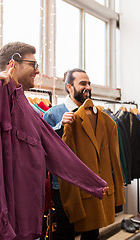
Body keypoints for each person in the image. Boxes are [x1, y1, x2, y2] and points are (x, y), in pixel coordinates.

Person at [0, 42, 107, 240]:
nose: (38, 70)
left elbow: (53, 148)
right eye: (33, 65)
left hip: (28, 221)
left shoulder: (30, 110)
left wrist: (92, 183)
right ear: (12, 64)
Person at [43, 68, 92, 240]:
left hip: (89, 183)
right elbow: (43, 146)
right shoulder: (53, 114)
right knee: (65, 231)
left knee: (92, 230)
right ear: (69, 87)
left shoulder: (95, 114)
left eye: (89, 83)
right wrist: (59, 126)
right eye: (83, 83)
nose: (88, 87)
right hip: (63, 185)